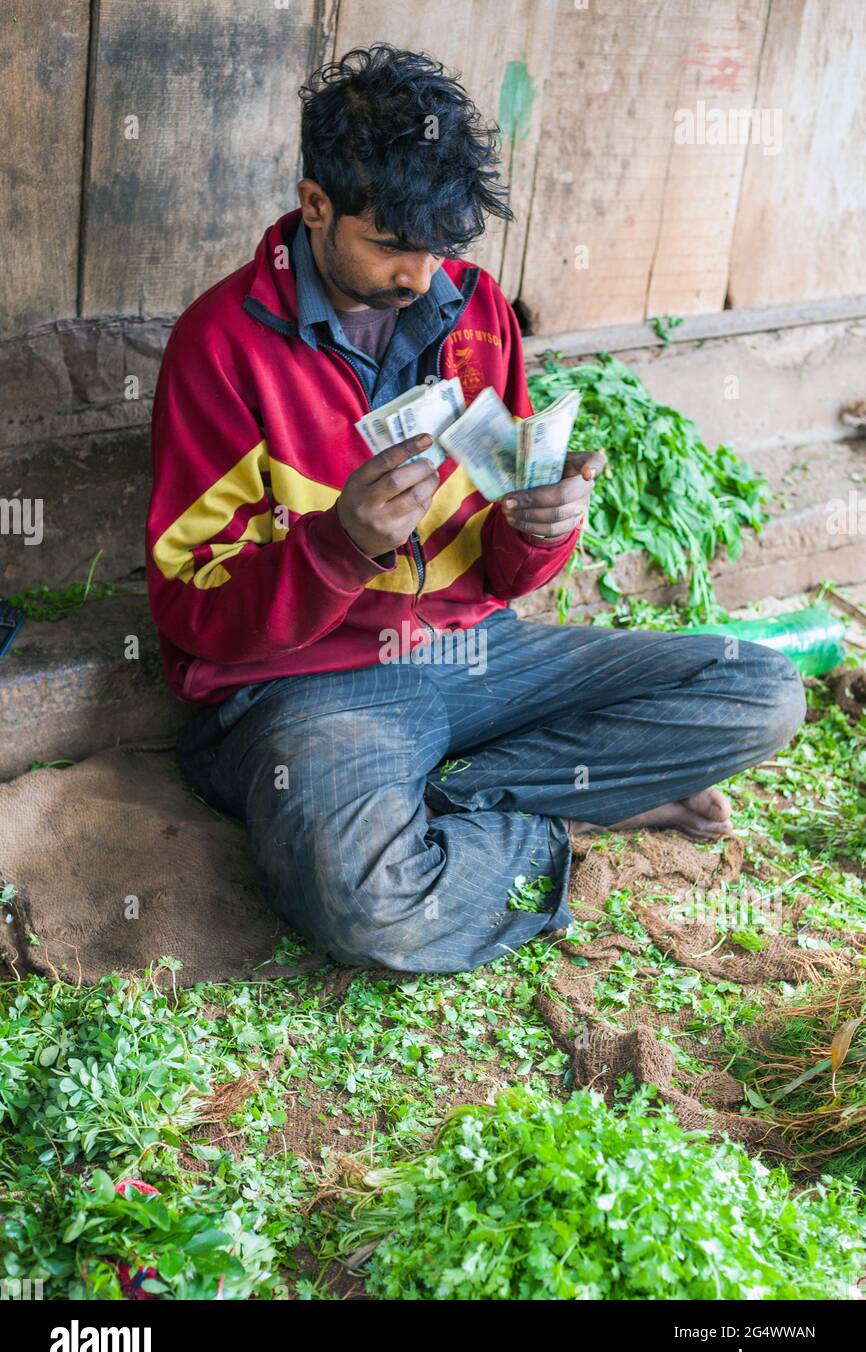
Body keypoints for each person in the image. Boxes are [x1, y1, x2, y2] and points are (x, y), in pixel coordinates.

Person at [146, 45, 805, 973]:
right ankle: (556, 812)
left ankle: (446, 803)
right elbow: (189, 610)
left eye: (441, 248)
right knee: (374, 910)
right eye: (391, 246)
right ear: (316, 205)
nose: (422, 276)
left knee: (761, 690)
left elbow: (501, 567)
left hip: (471, 652)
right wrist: (338, 547)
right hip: (307, 686)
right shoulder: (222, 349)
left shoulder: (476, 311)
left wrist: (540, 527)